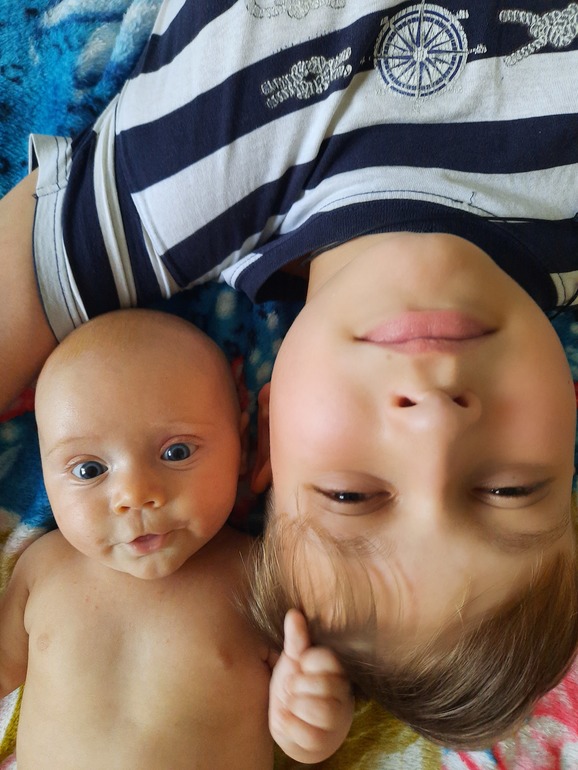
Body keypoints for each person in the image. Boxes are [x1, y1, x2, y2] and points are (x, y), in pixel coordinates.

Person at [0, 0, 577, 749]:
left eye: (352, 495)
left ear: (264, 430)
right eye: (507, 489)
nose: (436, 421)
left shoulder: (191, 184)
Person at [0, 309, 354, 769]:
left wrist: (312, 718)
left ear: (244, 446)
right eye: (89, 470)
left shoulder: (264, 576)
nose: (134, 495)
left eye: (176, 452)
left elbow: (306, 742)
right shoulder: (43, 567)